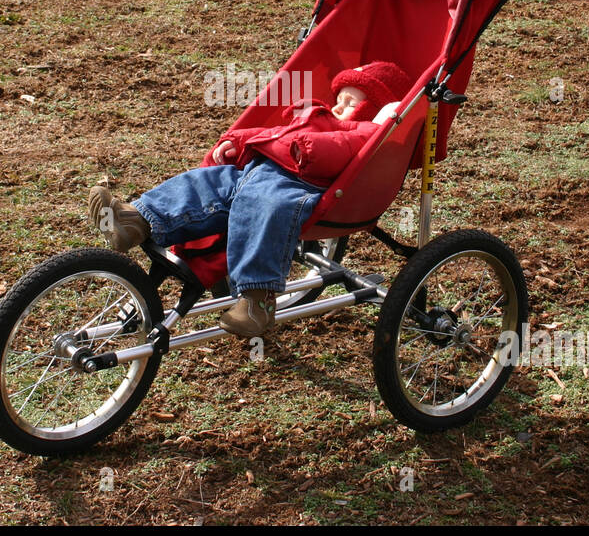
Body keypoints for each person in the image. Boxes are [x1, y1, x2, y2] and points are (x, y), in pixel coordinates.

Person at [89, 61, 411, 338]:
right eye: (338, 99)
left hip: (298, 185)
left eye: (350, 102)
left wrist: (306, 147)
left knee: (263, 210)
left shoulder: (365, 133)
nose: (338, 106)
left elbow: (342, 147)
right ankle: (136, 220)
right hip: (260, 169)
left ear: (371, 109)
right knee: (203, 183)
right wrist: (238, 142)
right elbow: (273, 135)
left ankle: (257, 299)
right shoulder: (318, 116)